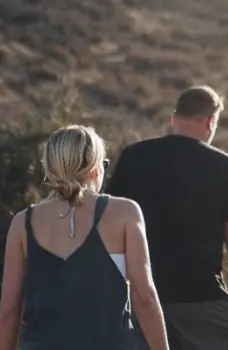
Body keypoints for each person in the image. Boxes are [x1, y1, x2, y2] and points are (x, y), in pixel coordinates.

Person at [105, 86, 228, 349]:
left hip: (138, 294)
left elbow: (107, 224)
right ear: (211, 121)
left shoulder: (133, 156)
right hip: (200, 298)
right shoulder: (227, 167)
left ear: (174, 118)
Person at [0, 125, 169, 349]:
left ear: (49, 168)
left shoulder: (23, 223)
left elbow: (9, 309)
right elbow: (144, 296)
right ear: (95, 169)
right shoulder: (124, 213)